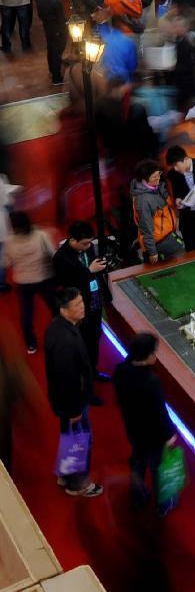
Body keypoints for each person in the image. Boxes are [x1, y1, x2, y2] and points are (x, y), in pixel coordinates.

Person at [44, 288, 103, 497]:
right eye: (77, 305)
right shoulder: (65, 340)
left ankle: (66, 474)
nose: (82, 306)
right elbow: (67, 378)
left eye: (81, 302)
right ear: (64, 309)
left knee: (69, 437)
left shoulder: (58, 326)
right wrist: (74, 410)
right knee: (81, 442)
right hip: (72, 403)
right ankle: (78, 484)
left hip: (64, 402)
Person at [112, 332, 178, 513]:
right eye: (154, 352)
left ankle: (138, 498)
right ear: (147, 355)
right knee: (158, 469)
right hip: (153, 436)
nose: (156, 356)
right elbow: (159, 413)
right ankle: (163, 505)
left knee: (138, 464)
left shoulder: (120, 371)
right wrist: (169, 434)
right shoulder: (151, 381)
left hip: (133, 430)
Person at [52, 221, 110, 392]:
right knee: (82, 346)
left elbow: (94, 271)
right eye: (85, 243)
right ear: (73, 240)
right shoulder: (61, 259)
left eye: (90, 242)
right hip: (78, 308)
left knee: (94, 339)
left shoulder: (88, 248)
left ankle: (94, 372)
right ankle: (86, 385)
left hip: (94, 302)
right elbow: (68, 283)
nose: (89, 246)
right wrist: (89, 271)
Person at [4, 212, 55, 354]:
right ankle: (60, 337)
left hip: (23, 282)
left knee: (27, 313)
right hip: (44, 278)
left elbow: (7, 263)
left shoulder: (9, 241)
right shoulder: (41, 235)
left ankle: (30, 344)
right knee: (55, 308)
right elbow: (52, 254)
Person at [131, 160, 185, 265]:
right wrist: (152, 252)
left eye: (158, 174)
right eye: (154, 176)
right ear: (144, 179)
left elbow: (167, 208)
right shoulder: (142, 200)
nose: (158, 178)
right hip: (160, 245)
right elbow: (146, 227)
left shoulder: (156, 188)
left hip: (170, 238)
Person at [35, 0, 66, 85]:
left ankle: (52, 71)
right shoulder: (56, 1)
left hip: (47, 28)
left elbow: (39, 14)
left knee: (50, 50)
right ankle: (56, 79)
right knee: (57, 54)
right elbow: (61, 20)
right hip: (57, 31)